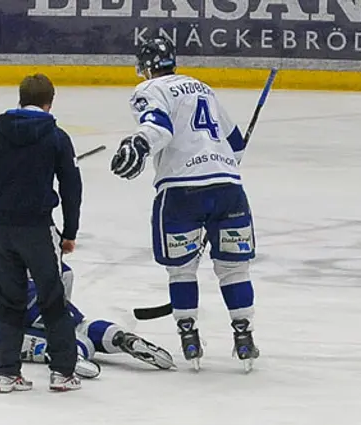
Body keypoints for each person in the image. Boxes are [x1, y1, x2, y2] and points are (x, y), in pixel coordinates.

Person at [110, 36, 259, 372]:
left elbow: (158, 127)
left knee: (181, 269)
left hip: (180, 192)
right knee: (234, 268)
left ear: (146, 66)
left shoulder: (151, 89)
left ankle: (189, 337)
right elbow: (235, 146)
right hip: (227, 187)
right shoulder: (203, 88)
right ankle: (244, 335)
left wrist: (139, 143)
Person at [0, 240, 176, 392]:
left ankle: (69, 352)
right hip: (25, 288)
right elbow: (64, 272)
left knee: (37, 342)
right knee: (78, 324)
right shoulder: (0, 248)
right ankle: (119, 336)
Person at [0, 74, 83, 391]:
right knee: (52, 299)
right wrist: (69, 231)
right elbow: (72, 189)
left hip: (0, 229)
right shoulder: (56, 136)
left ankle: (7, 373)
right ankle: (62, 372)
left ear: (19, 100)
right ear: (50, 102)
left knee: (10, 299)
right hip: (36, 229)